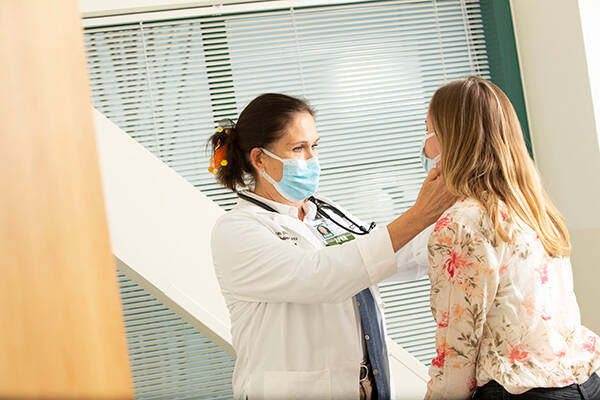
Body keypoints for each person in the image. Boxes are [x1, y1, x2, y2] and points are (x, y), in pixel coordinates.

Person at [208, 93, 455, 399]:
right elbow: (322, 277)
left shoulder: (324, 212)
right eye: (298, 148)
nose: (312, 158)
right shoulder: (238, 230)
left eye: (315, 146)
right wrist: (418, 215)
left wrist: (452, 222)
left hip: (363, 387)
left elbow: (390, 255)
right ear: (259, 159)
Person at [423, 76, 600, 399]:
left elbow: (456, 352)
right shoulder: (534, 208)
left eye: (428, 132)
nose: (425, 148)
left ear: (453, 139)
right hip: (585, 383)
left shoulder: (462, 223)